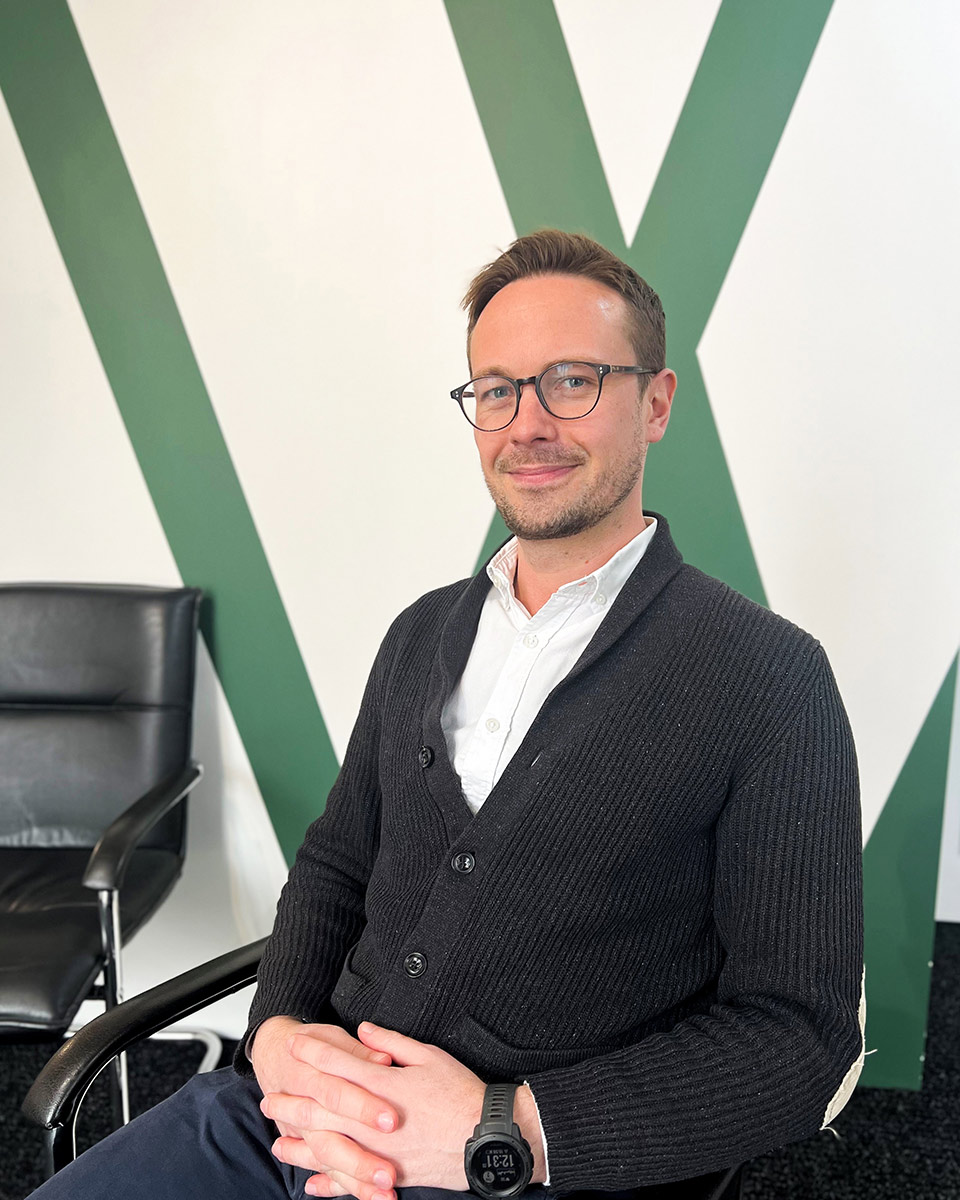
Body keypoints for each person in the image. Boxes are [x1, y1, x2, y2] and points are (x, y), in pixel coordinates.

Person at [32, 230, 864, 1200]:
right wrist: (279, 1034)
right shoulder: (421, 634)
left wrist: (504, 1131)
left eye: (573, 381)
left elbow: (799, 1039)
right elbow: (338, 863)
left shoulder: (769, 677)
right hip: (290, 1119)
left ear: (657, 403)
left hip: (516, 1170)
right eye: (497, 391)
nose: (528, 424)